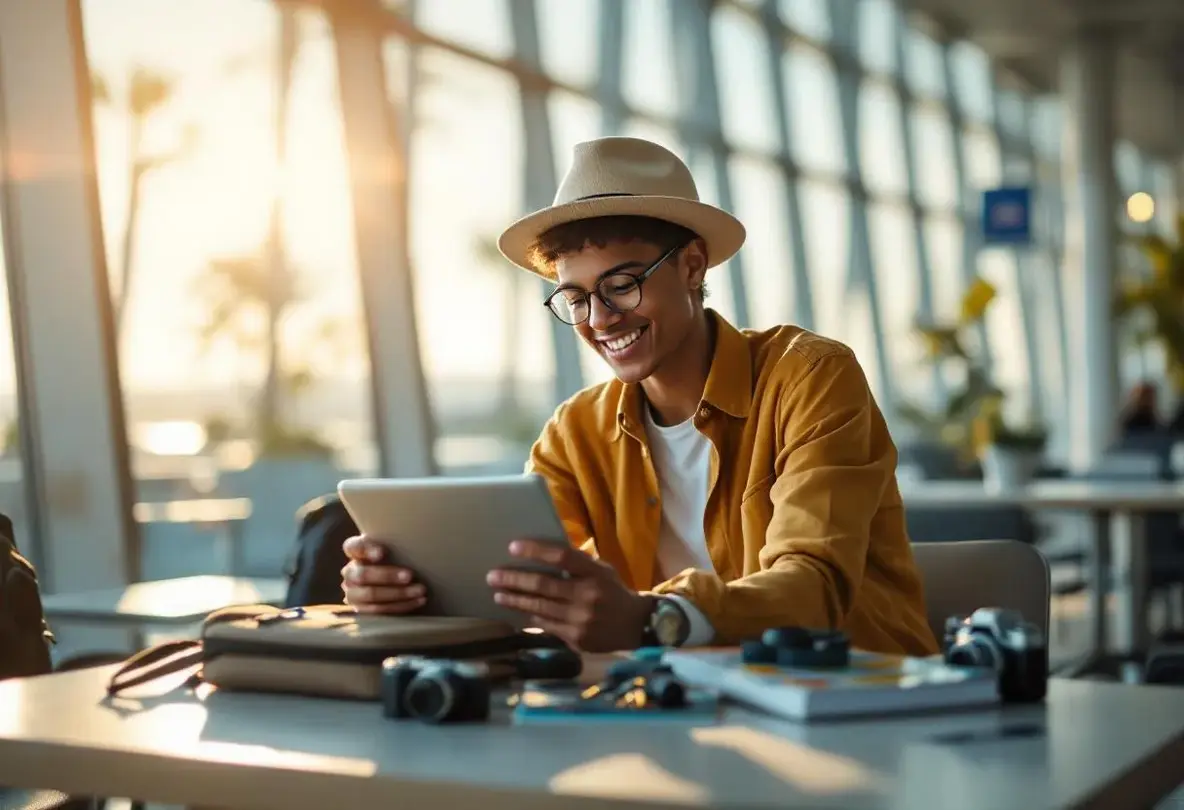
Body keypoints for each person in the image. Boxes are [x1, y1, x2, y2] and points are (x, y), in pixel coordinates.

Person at [342, 136, 938, 656]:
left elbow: (814, 584)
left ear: (692, 267)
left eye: (621, 285)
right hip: (685, 713)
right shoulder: (574, 435)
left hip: (863, 706)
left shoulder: (808, 377)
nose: (599, 319)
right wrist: (414, 594)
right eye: (575, 298)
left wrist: (654, 617)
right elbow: (524, 588)